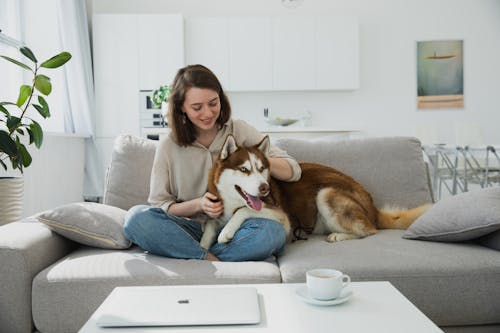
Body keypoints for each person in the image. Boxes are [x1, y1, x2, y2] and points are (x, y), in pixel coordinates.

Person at [123, 64, 301, 261]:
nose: (207, 113)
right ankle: (208, 257)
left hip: (237, 227)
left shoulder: (239, 130)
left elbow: (292, 170)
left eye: (213, 103)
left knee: (272, 232)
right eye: (197, 107)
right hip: (188, 230)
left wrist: (254, 158)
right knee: (136, 218)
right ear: (182, 107)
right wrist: (199, 204)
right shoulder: (168, 146)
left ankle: (196, 257)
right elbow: (160, 205)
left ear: (221, 99)